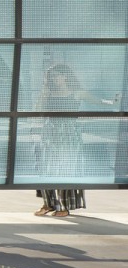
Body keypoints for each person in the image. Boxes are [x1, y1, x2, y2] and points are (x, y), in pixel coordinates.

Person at [35, 62, 87, 218]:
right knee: (47, 167)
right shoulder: (48, 94)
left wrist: (114, 102)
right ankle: (48, 203)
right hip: (50, 133)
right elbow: (37, 111)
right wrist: (43, 94)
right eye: (50, 77)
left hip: (69, 134)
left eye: (56, 76)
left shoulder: (76, 93)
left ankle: (63, 205)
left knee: (64, 167)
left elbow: (101, 102)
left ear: (65, 76)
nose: (53, 79)